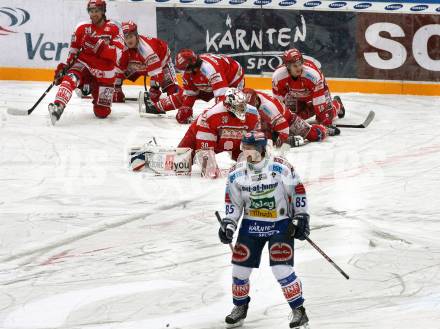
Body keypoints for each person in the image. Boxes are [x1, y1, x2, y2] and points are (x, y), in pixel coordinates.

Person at [219, 131, 310, 328]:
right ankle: (240, 307)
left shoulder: (280, 167)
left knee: (281, 269)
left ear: (261, 149)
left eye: (249, 148)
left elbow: (298, 191)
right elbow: (233, 204)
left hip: (280, 224)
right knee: (239, 271)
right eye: (243, 148)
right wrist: (229, 223)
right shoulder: (236, 173)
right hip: (251, 225)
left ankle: (298, 311)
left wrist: (301, 217)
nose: (245, 152)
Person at [48, 0, 124, 124]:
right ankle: (58, 106)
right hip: (84, 65)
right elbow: (74, 51)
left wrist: (98, 46)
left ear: (103, 11)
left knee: (102, 113)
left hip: (105, 72)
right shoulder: (82, 28)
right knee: (70, 77)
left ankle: (87, 86)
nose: (94, 14)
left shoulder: (115, 28)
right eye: (91, 11)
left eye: (97, 11)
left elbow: (118, 55)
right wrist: (66, 67)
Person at [142, 50, 245, 124]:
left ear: (192, 65)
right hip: (211, 82)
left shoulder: (210, 69)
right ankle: (156, 106)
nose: (184, 73)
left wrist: (213, 116)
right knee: (182, 96)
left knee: (231, 104)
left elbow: (221, 97)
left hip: (232, 80)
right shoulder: (190, 72)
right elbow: (189, 95)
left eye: (185, 69)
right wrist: (186, 108)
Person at [177, 88, 259, 161]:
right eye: (238, 106)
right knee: (180, 162)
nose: (242, 109)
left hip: (234, 142)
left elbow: (257, 142)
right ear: (229, 106)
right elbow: (204, 151)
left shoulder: (253, 114)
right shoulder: (212, 115)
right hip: (205, 138)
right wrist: (210, 167)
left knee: (253, 160)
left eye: (243, 105)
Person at [272, 48, 345, 129]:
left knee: (325, 117)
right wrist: (278, 120)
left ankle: (337, 104)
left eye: (300, 64)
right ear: (288, 66)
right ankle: (310, 109)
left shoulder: (313, 75)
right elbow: (278, 102)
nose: (299, 68)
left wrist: (325, 122)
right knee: (293, 119)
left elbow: (319, 102)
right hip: (294, 94)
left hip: (315, 93)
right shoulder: (278, 77)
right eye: (295, 66)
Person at [242, 88, 338, 146]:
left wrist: (285, 140)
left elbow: (284, 129)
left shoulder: (269, 108)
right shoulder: (243, 100)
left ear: (256, 101)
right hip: (267, 121)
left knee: (314, 135)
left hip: (287, 120)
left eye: (251, 105)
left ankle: (324, 128)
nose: (249, 109)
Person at [114, 21, 179, 103]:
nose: (129, 40)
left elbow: (157, 73)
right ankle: (116, 90)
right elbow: (118, 68)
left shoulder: (147, 49)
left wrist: (154, 90)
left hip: (160, 64)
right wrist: (116, 87)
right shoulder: (120, 46)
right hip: (137, 65)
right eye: (126, 38)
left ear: (136, 36)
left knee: (174, 93)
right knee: (116, 71)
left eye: (131, 37)